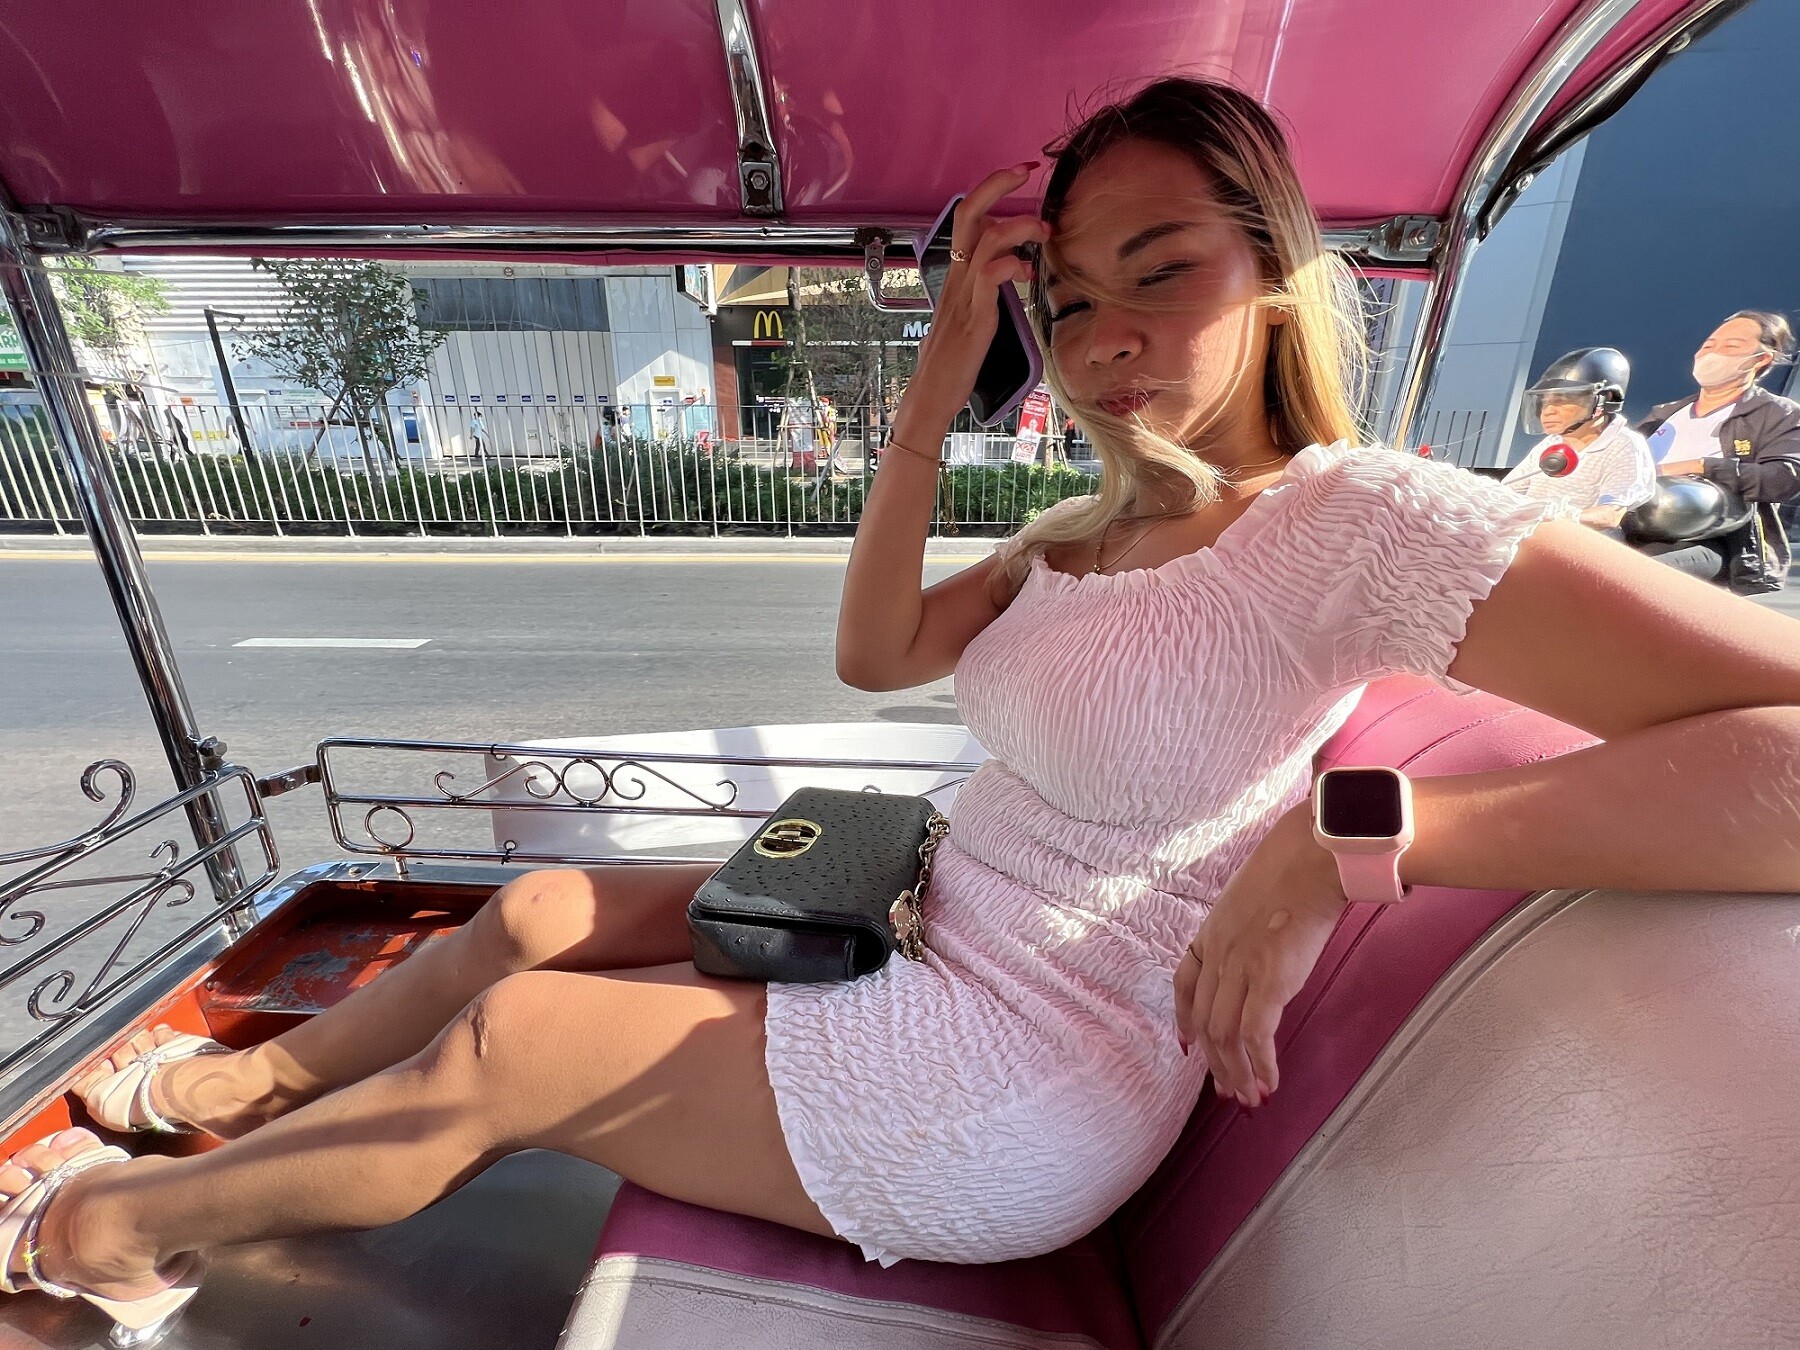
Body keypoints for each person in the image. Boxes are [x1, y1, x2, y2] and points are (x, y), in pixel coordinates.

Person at [5, 79, 1799, 1338]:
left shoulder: (1355, 519)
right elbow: (873, 655)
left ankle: (105, 1235)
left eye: (1162, 268)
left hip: (1036, 1065)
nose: (1104, 337)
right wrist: (945, 369)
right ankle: (237, 1092)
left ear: (1276, 269)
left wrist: (1358, 840)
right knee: (538, 911)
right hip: (909, 916)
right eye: (1069, 300)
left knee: (516, 1044)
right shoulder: (1094, 526)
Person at [1635, 311, 1800, 592]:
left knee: (1634, 576)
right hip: (1637, 526)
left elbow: (1784, 478)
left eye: (1731, 346)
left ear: (1761, 359)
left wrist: (1701, 466)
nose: (1712, 353)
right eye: (1708, 345)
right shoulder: (1665, 415)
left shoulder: (1779, 414)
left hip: (1714, 541)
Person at [1501, 347, 1653, 531]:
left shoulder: (1625, 445)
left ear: (1604, 400)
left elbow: (1609, 516)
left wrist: (1549, 516)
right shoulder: (1551, 443)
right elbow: (1506, 492)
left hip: (1582, 541)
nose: (1547, 411)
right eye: (1544, 402)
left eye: (1561, 400)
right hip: (1532, 533)